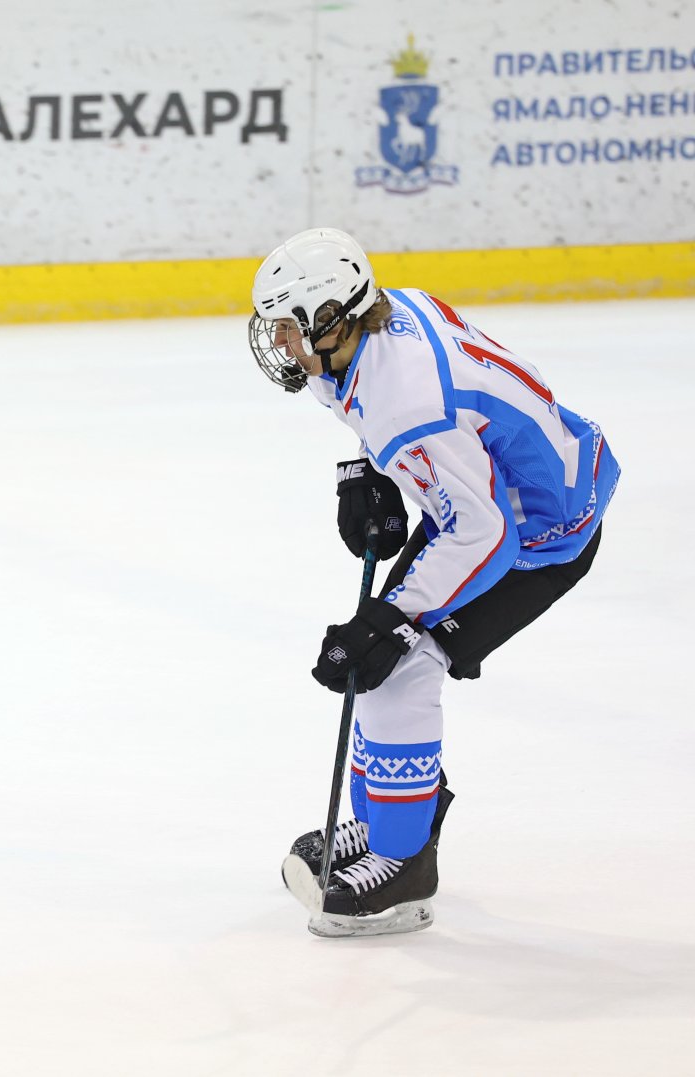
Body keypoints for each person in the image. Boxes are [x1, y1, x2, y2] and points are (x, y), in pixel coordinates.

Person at [247, 227, 618, 937]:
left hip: (539, 534)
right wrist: (366, 471)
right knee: (380, 657)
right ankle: (388, 818)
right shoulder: (380, 323)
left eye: (289, 327)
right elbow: (402, 413)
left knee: (399, 663)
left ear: (332, 317)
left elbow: (485, 535)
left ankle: (403, 862)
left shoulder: (409, 402)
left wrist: (395, 618)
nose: (280, 343)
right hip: (491, 499)